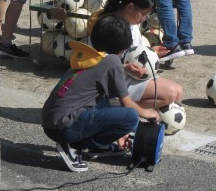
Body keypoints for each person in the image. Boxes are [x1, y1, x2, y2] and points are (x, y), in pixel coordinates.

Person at [42, 13, 159, 172]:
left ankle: (96, 146)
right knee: (131, 117)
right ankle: (75, 146)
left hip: (51, 121)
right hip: (64, 127)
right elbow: (128, 104)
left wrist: (123, 68)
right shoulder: (113, 61)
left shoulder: (89, 55)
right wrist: (148, 113)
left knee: (105, 99)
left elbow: (101, 74)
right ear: (123, 46)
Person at [88, 0, 184, 108]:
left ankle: (127, 108)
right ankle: (118, 106)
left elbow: (135, 51)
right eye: (143, 14)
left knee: (178, 91)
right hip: (114, 79)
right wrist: (124, 67)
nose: (144, 18)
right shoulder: (109, 26)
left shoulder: (132, 25)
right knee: (170, 95)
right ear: (130, 7)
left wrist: (151, 52)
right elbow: (97, 62)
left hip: (131, 75)